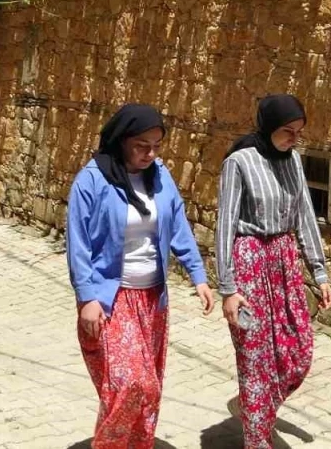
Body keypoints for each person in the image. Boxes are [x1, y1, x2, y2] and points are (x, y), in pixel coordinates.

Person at [67, 103, 215, 449]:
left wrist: (198, 275)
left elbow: (177, 224)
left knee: (150, 388)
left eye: (157, 146)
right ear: (122, 141)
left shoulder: (160, 175)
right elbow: (78, 243)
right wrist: (87, 297)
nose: (150, 154)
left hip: (152, 300)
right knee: (131, 384)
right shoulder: (92, 180)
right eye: (142, 146)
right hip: (110, 299)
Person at [216, 94, 331, 449]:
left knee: (298, 350)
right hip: (249, 264)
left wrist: (319, 273)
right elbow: (225, 225)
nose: (294, 139)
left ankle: (252, 405)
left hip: (285, 264)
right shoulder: (239, 163)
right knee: (256, 358)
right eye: (287, 131)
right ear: (268, 127)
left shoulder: (293, 160)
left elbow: (305, 216)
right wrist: (228, 288)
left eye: (299, 132)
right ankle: (256, 434)